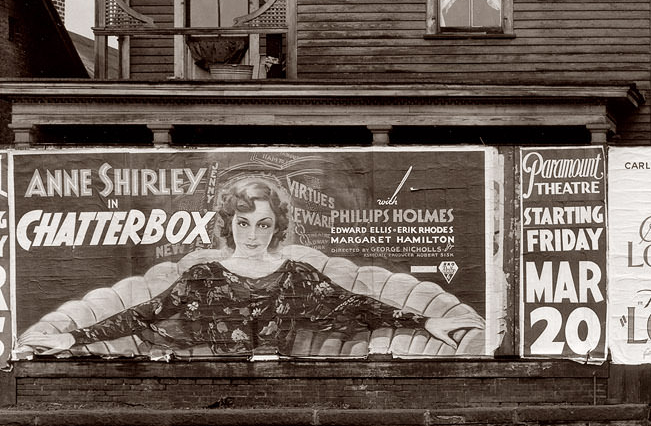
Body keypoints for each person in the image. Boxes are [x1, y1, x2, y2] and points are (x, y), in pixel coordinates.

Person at [19, 173, 480, 357]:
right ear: (229, 223)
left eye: (264, 224)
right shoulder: (202, 277)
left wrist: (424, 320)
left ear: (277, 227)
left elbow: (359, 306)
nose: (253, 233)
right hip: (213, 387)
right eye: (244, 222)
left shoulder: (298, 276)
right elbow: (142, 314)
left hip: (283, 388)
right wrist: (72, 336)